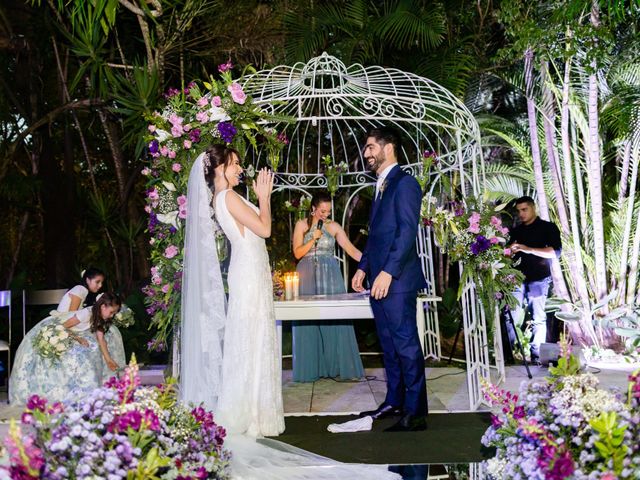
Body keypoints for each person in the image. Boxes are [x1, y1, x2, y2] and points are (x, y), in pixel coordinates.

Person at [180, 146, 400, 480]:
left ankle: (256, 413)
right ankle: (246, 414)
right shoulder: (227, 197)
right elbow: (265, 230)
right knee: (250, 341)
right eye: (236, 163)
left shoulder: (224, 199)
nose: (241, 168)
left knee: (253, 339)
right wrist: (264, 197)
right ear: (221, 168)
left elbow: (251, 236)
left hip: (250, 269)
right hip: (248, 271)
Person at [352, 126, 428, 432]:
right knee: (389, 345)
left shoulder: (405, 183)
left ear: (389, 147)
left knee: (406, 345)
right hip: (378, 279)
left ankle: (416, 411)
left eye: (371, 147)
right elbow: (376, 236)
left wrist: (387, 272)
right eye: (366, 148)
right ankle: (394, 400)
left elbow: (406, 232)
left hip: (396, 281)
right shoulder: (381, 185)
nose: (367, 153)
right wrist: (363, 267)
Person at [291, 191, 365, 382]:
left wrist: (370, 262)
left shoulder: (333, 227)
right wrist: (313, 238)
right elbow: (298, 253)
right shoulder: (302, 225)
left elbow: (351, 250)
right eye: (322, 211)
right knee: (308, 321)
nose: (325, 215)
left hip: (330, 275)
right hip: (306, 273)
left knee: (335, 319)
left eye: (328, 211)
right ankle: (312, 368)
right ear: (313, 209)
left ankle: (336, 367)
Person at [9, 293, 122, 404]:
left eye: (114, 313)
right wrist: (78, 339)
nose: (112, 316)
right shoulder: (85, 314)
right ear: (103, 306)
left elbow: (101, 339)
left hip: (75, 330)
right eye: (111, 312)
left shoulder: (100, 317)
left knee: (93, 348)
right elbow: (62, 327)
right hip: (59, 327)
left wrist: (109, 360)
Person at [507, 196, 562, 364]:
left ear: (533, 208)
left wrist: (528, 249)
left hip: (539, 279)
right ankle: (508, 355)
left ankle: (537, 356)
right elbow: (507, 254)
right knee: (510, 316)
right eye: (519, 211)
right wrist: (509, 250)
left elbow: (555, 252)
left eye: (525, 209)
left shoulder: (547, 228)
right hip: (516, 280)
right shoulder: (515, 231)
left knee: (538, 318)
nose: (521, 214)